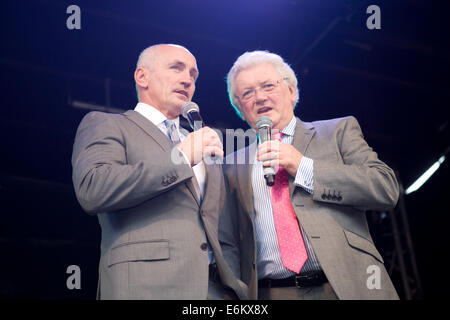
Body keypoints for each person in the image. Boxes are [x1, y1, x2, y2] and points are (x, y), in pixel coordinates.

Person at [71, 44, 247, 299]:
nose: (187, 79)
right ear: (142, 76)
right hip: (145, 287)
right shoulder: (107, 124)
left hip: (215, 292)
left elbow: (221, 224)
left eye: (193, 74)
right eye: (176, 68)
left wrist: (234, 282)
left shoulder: (199, 142)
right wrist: (182, 157)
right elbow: (93, 189)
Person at [220, 50, 400, 300]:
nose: (260, 97)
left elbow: (385, 188)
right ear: (240, 108)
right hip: (272, 293)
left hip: (348, 287)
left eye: (268, 86)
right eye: (247, 93)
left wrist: (303, 166)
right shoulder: (230, 166)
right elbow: (227, 243)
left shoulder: (337, 131)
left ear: (291, 90)